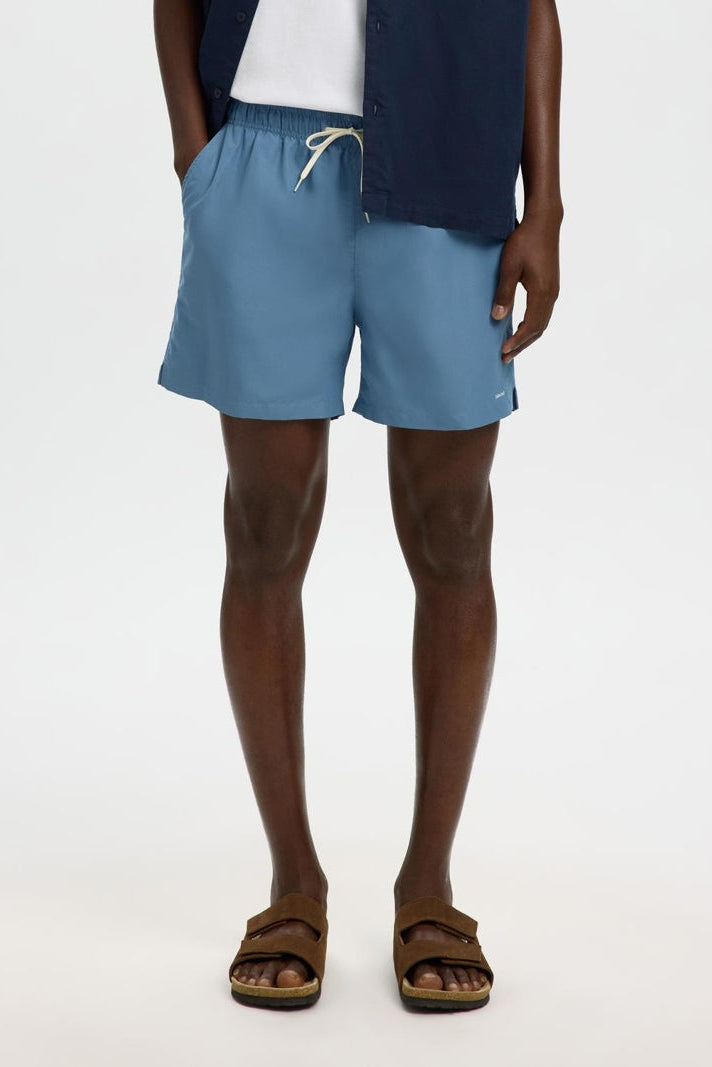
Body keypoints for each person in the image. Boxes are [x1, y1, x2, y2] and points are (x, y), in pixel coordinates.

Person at [153, 0, 563, 1012]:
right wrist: (196, 163)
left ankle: (429, 882)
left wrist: (545, 203)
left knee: (453, 530)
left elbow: (536, 8)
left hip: (450, 170)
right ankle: (292, 879)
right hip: (262, 164)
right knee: (265, 526)